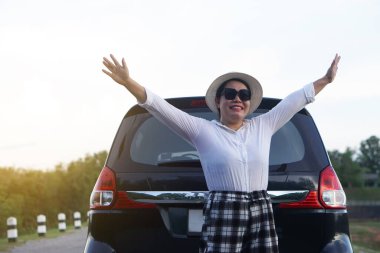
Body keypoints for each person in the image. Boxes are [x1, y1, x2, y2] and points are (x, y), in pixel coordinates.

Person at [102, 54, 340, 253]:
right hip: (224, 207)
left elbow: (296, 100)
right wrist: (128, 82)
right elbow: (158, 107)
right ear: (218, 101)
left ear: (249, 103)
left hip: (260, 205)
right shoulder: (202, 130)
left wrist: (326, 80)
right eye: (230, 94)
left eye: (244, 95)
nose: (237, 99)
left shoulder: (264, 125)